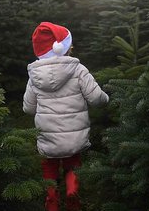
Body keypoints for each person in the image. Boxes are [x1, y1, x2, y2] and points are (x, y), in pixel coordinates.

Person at [23, 22, 109, 211]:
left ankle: (52, 201)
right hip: (73, 138)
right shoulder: (78, 70)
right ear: (64, 47)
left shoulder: (34, 76)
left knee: (49, 170)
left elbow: (28, 108)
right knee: (72, 167)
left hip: (47, 137)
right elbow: (96, 98)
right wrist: (106, 98)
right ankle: (73, 198)